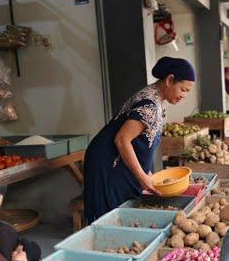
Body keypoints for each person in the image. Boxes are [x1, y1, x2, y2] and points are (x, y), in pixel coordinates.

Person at [83, 57, 195, 223]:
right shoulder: (148, 104)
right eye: (183, 90)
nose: (183, 96)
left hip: (115, 159)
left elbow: (139, 141)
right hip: (107, 162)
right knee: (110, 216)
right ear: (170, 80)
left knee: (123, 212)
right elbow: (122, 140)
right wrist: (142, 176)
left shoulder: (156, 98)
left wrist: (147, 172)